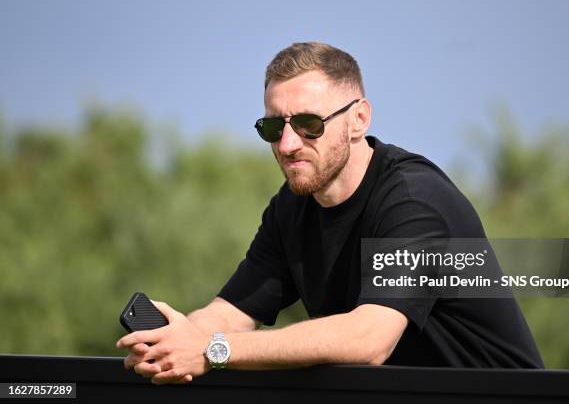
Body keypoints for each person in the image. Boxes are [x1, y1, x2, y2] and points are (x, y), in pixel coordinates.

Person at [116, 42, 543, 385]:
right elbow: (229, 314)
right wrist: (177, 340)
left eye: (308, 124)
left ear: (358, 119)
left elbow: (367, 339)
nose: (287, 145)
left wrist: (214, 350)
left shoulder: (413, 201)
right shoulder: (292, 206)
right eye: (272, 128)